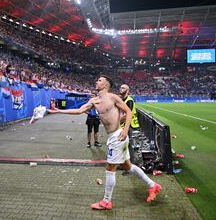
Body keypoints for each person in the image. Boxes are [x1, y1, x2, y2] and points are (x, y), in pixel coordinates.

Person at [49, 75, 161, 210]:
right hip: (114, 137)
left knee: (110, 168)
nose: (96, 81)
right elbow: (79, 110)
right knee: (128, 166)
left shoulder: (113, 97)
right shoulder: (94, 100)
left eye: (100, 80)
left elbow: (129, 112)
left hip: (118, 136)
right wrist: (58, 110)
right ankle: (152, 185)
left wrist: (125, 130)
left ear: (106, 85)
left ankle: (106, 201)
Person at [119, 84, 139, 168]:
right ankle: (124, 163)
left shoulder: (129, 100)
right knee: (123, 144)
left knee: (128, 145)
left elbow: (128, 115)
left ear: (127, 90)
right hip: (123, 125)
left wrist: (117, 121)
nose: (120, 89)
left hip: (129, 126)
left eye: (123, 88)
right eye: (120, 87)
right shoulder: (122, 100)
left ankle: (130, 165)